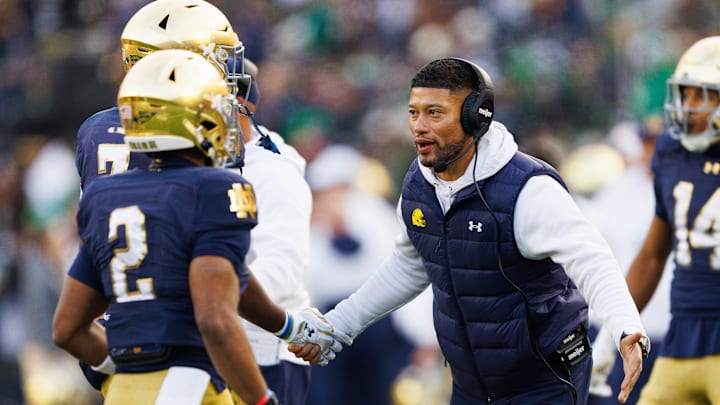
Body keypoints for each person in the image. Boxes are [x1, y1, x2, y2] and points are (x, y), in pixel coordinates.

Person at [292, 57, 650, 404]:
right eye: (414, 112)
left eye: (434, 113)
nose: (419, 126)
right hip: (470, 384)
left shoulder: (528, 189)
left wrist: (624, 327)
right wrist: (338, 325)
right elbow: (410, 266)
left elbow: (592, 260)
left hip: (542, 381)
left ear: (475, 116)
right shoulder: (420, 183)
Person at [52, 49, 336, 405]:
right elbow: (215, 319)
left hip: (124, 392)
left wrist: (289, 325)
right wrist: (262, 400)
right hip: (193, 385)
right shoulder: (217, 187)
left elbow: (66, 329)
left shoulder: (103, 194)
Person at [621, 35, 720, 404]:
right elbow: (652, 254)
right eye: (686, 94)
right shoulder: (673, 152)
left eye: (703, 95)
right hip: (683, 338)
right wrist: (615, 329)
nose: (689, 107)